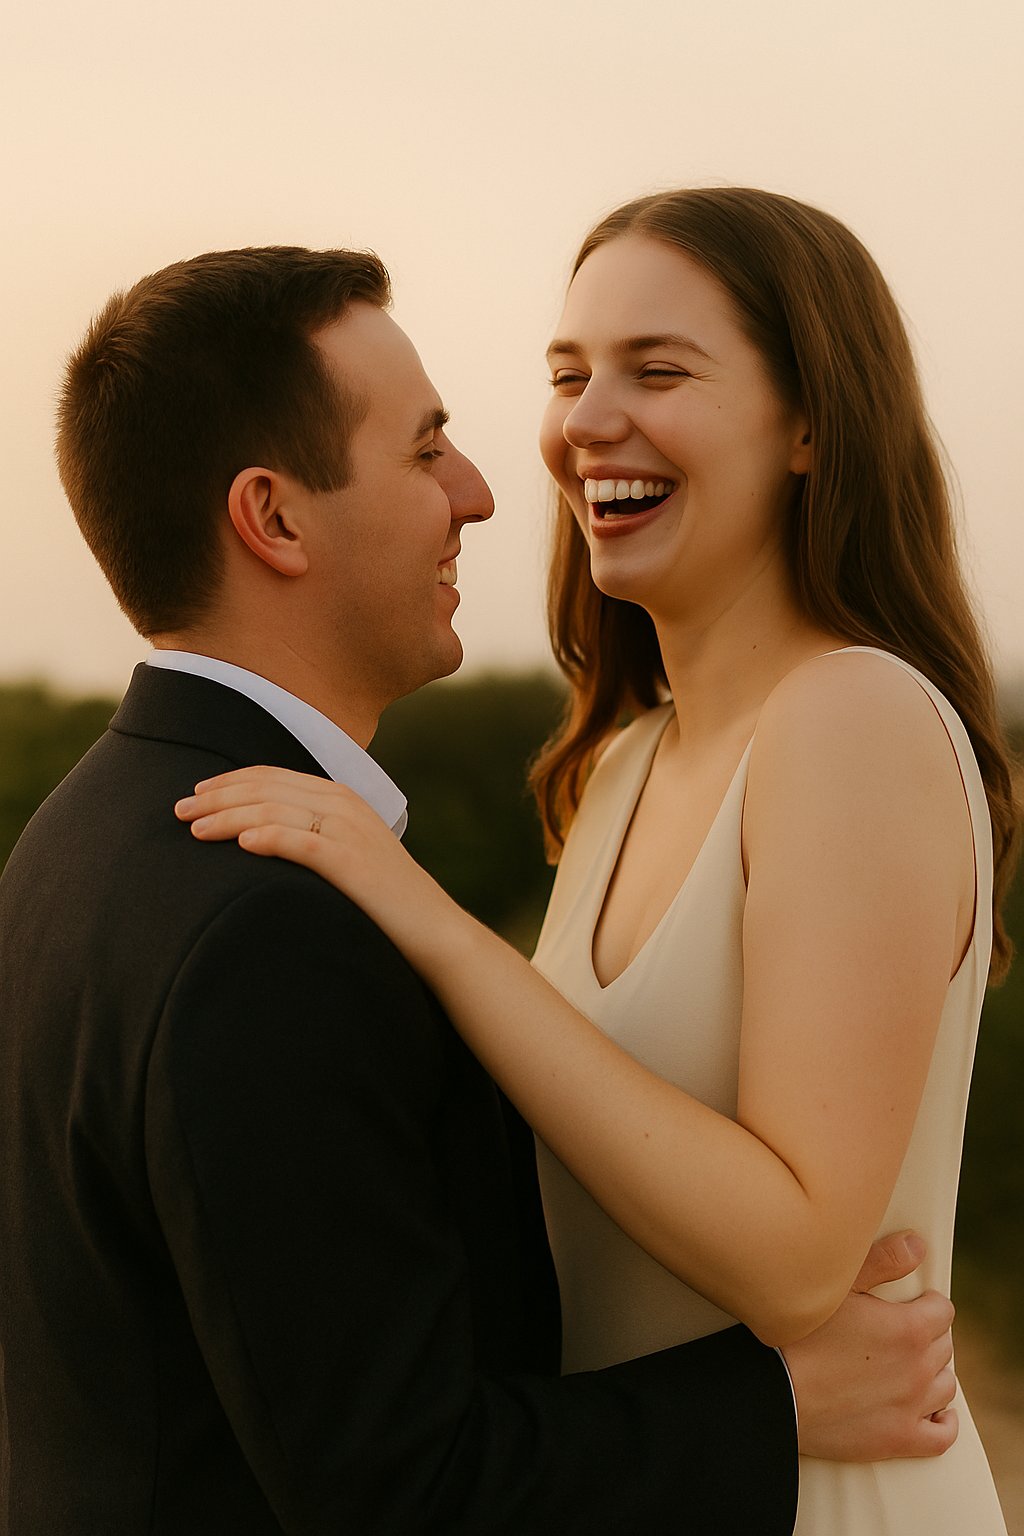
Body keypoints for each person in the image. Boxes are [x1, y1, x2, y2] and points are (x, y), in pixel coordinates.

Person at [0, 243, 958, 1535]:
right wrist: (767, 1410)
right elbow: (393, 1479)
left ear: (810, 425)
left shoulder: (74, 847)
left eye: (658, 369)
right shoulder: (278, 909)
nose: (491, 487)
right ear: (274, 519)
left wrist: (436, 927)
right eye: (426, 450)